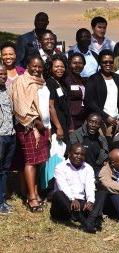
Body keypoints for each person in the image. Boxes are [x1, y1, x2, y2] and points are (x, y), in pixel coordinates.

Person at [10, 55, 50, 212]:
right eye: (34, 66)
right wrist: (35, 123)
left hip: (42, 127)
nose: (37, 69)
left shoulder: (41, 81)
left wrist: (44, 125)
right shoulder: (21, 81)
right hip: (28, 127)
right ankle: (31, 197)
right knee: (30, 161)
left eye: (40, 66)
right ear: (27, 66)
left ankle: (36, 192)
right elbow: (20, 107)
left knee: (38, 161)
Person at [51, 144, 107, 233]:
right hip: (65, 205)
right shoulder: (60, 167)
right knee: (58, 194)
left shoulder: (88, 168)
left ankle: (91, 219)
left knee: (102, 192)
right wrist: (72, 199)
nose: (79, 157)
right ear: (69, 153)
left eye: (82, 154)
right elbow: (63, 186)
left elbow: (90, 185)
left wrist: (90, 201)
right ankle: (85, 223)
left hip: (81, 204)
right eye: (76, 154)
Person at [85, 49, 119, 139]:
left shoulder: (117, 78)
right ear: (100, 63)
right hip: (101, 121)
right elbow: (89, 101)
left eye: (111, 62)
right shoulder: (93, 79)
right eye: (105, 62)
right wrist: (106, 117)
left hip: (116, 121)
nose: (108, 64)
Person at [0, 64, 15, 214]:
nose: (3, 77)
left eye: (4, 74)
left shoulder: (8, 90)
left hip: (10, 134)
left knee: (5, 169)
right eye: (0, 74)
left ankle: (2, 200)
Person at [47, 54, 71, 143]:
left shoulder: (61, 83)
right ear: (50, 68)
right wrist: (58, 127)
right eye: (56, 66)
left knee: (64, 150)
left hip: (63, 121)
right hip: (56, 124)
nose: (60, 69)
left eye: (62, 66)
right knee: (56, 152)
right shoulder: (50, 83)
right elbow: (50, 106)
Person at [64, 52, 87, 131]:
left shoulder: (83, 80)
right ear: (69, 64)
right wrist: (71, 126)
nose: (77, 65)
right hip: (72, 119)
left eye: (80, 63)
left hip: (82, 118)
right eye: (74, 63)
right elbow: (66, 104)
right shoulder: (67, 80)